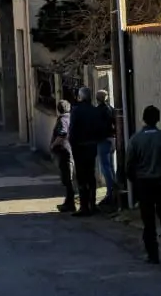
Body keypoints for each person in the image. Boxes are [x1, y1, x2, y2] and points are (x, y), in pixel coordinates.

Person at [124, 105, 161, 265]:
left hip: (144, 185)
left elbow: (129, 165)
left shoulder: (136, 139)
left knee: (148, 221)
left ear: (143, 119)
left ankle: (153, 254)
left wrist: (136, 182)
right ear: (157, 119)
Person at [67, 86, 107, 217]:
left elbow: (72, 131)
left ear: (81, 97)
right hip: (92, 147)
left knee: (82, 177)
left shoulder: (76, 111)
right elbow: (101, 129)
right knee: (91, 175)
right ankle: (92, 204)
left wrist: (72, 144)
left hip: (80, 147)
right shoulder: (95, 111)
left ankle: (84, 206)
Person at [94, 90, 124, 211]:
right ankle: (113, 190)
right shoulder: (111, 109)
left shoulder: (98, 111)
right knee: (111, 166)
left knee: (106, 167)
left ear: (97, 98)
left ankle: (111, 192)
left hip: (103, 140)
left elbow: (98, 127)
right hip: (112, 139)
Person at [49, 99, 74, 214]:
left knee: (67, 178)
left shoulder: (63, 119)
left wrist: (54, 144)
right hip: (69, 150)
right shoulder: (70, 117)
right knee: (67, 177)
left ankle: (70, 203)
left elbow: (62, 133)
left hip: (65, 151)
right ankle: (69, 202)